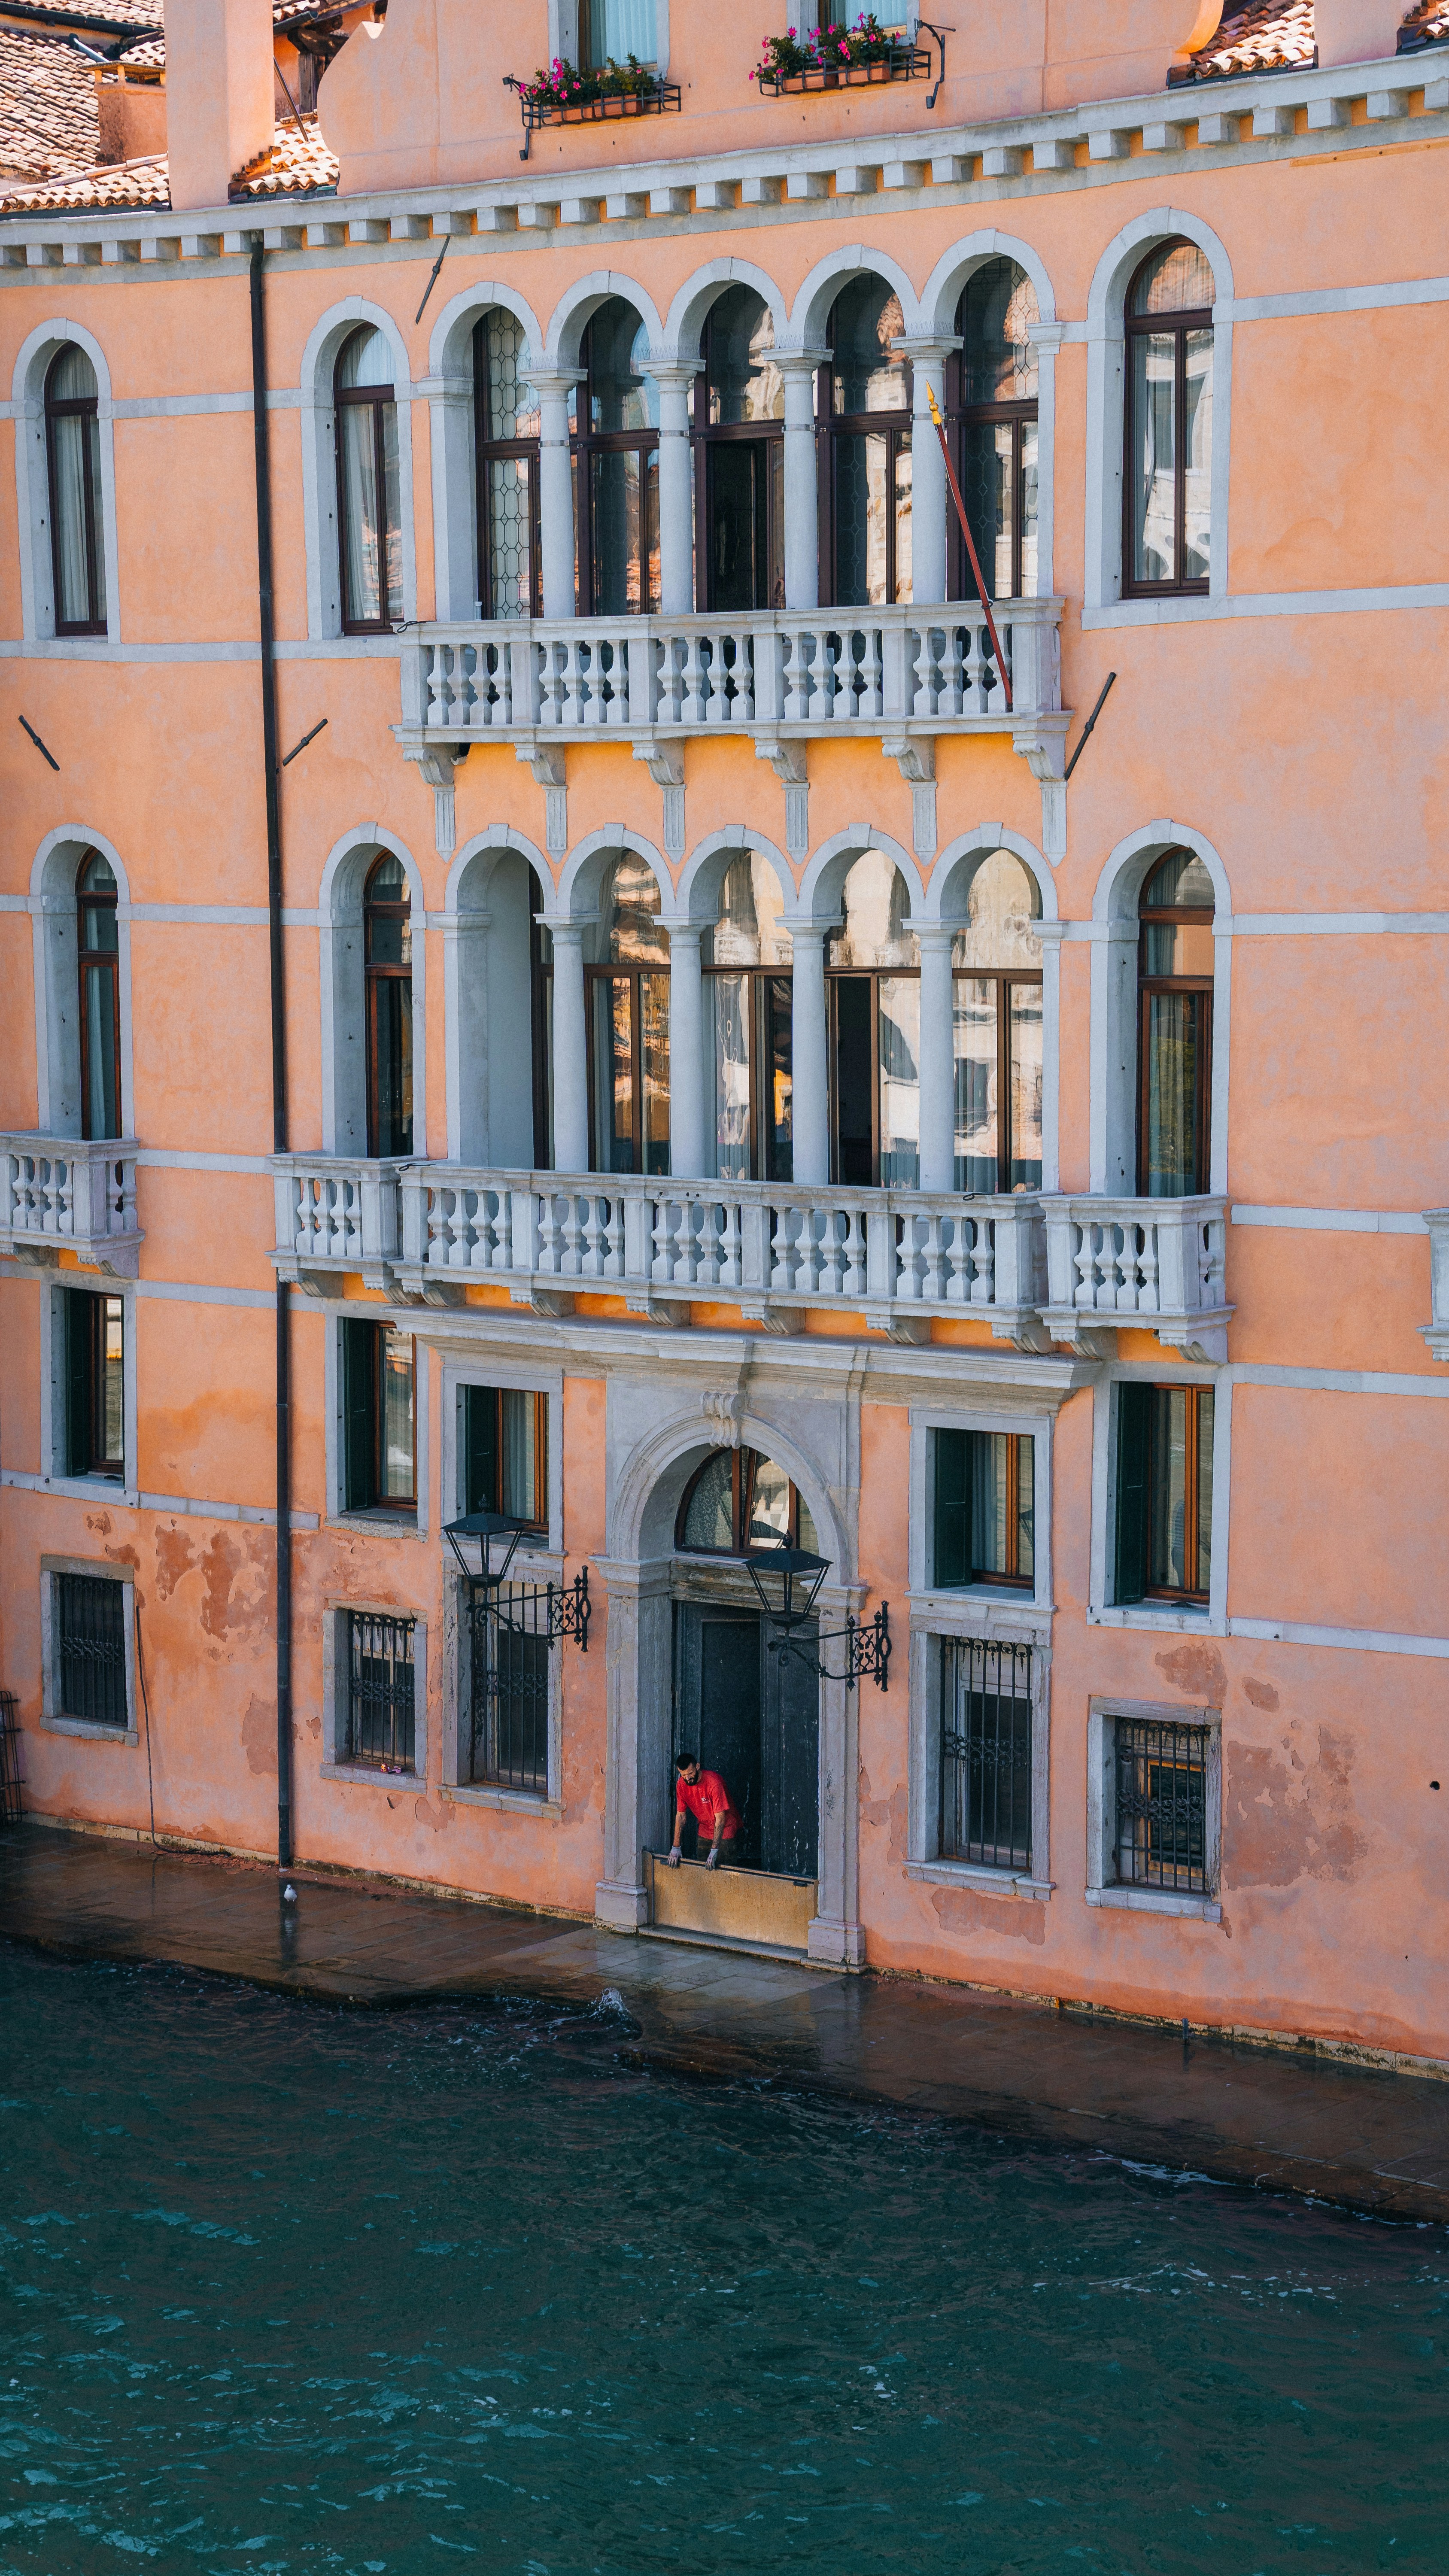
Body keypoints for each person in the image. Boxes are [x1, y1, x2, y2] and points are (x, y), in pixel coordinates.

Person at [665, 1754, 741, 1870]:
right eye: (683, 1774)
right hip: (705, 1830)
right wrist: (676, 1847)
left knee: (726, 1874)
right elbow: (681, 1816)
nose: (687, 1778)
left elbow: (720, 1819)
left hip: (726, 1830)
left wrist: (715, 1850)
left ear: (698, 1767)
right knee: (703, 1872)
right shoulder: (681, 1784)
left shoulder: (713, 1783)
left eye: (690, 1773)